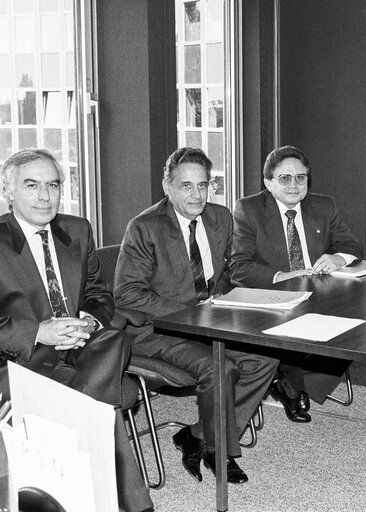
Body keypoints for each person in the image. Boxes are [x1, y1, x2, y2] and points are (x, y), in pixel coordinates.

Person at [0, 148, 152, 512]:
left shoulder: (77, 230)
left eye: (53, 185)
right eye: (32, 185)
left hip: (77, 348)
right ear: (8, 191)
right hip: (13, 361)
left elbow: (99, 295)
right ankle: (131, 506)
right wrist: (39, 332)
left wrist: (87, 321)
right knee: (96, 407)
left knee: (113, 336)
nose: (45, 196)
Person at [114, 147, 278, 484]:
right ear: (167, 186)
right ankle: (219, 451)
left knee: (265, 357)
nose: (196, 194)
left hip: (210, 321)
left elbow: (233, 272)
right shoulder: (145, 228)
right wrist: (192, 314)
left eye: (203, 185)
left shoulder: (219, 218)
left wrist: (255, 297)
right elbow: (128, 294)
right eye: (186, 186)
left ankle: (199, 434)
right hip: (155, 330)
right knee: (220, 366)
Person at [230, 145, 363, 423]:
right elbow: (238, 266)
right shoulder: (249, 209)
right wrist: (283, 276)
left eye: (301, 178)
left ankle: (292, 382)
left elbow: (352, 245)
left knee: (359, 324)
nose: (294, 185)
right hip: (271, 298)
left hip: (318, 293)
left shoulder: (323, 206)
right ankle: (291, 382)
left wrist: (337, 258)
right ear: (268, 182)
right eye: (285, 178)